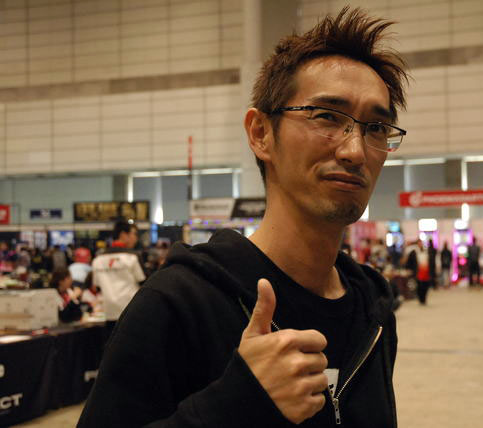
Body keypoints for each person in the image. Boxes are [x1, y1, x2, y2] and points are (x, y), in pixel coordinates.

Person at [78, 8, 407, 427]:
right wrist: (236, 404)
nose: (355, 151)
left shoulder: (373, 308)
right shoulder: (179, 302)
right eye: (327, 116)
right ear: (260, 133)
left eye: (376, 127)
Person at [90, 220, 145, 338]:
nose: (136, 238)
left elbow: (97, 287)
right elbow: (144, 284)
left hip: (109, 314)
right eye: (134, 234)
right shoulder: (132, 257)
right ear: (123, 235)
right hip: (131, 313)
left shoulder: (98, 260)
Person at [406, 240, 430, 305]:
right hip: (418, 272)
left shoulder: (426, 251)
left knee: (426, 286)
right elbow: (409, 262)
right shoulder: (414, 252)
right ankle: (420, 299)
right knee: (419, 286)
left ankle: (424, 298)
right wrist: (409, 269)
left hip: (426, 272)